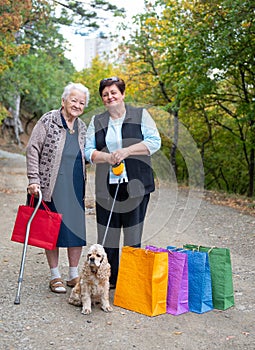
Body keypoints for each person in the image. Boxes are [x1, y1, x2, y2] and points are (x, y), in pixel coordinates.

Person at [85, 76, 161, 289]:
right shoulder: (97, 121)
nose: (110, 97)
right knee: (107, 235)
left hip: (136, 184)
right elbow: (87, 150)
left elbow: (154, 142)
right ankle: (108, 280)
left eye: (113, 93)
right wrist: (107, 157)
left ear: (122, 94)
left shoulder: (140, 115)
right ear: (102, 98)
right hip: (106, 187)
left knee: (132, 233)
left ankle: (129, 283)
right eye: (105, 94)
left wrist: (127, 150)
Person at [26, 82, 89, 294]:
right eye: (74, 100)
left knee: (75, 231)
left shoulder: (82, 127)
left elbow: (86, 155)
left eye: (82, 102)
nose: (77, 105)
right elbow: (33, 148)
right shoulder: (49, 119)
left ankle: (73, 274)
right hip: (49, 185)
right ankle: (55, 276)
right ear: (63, 101)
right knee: (50, 231)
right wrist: (33, 178)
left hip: (75, 186)